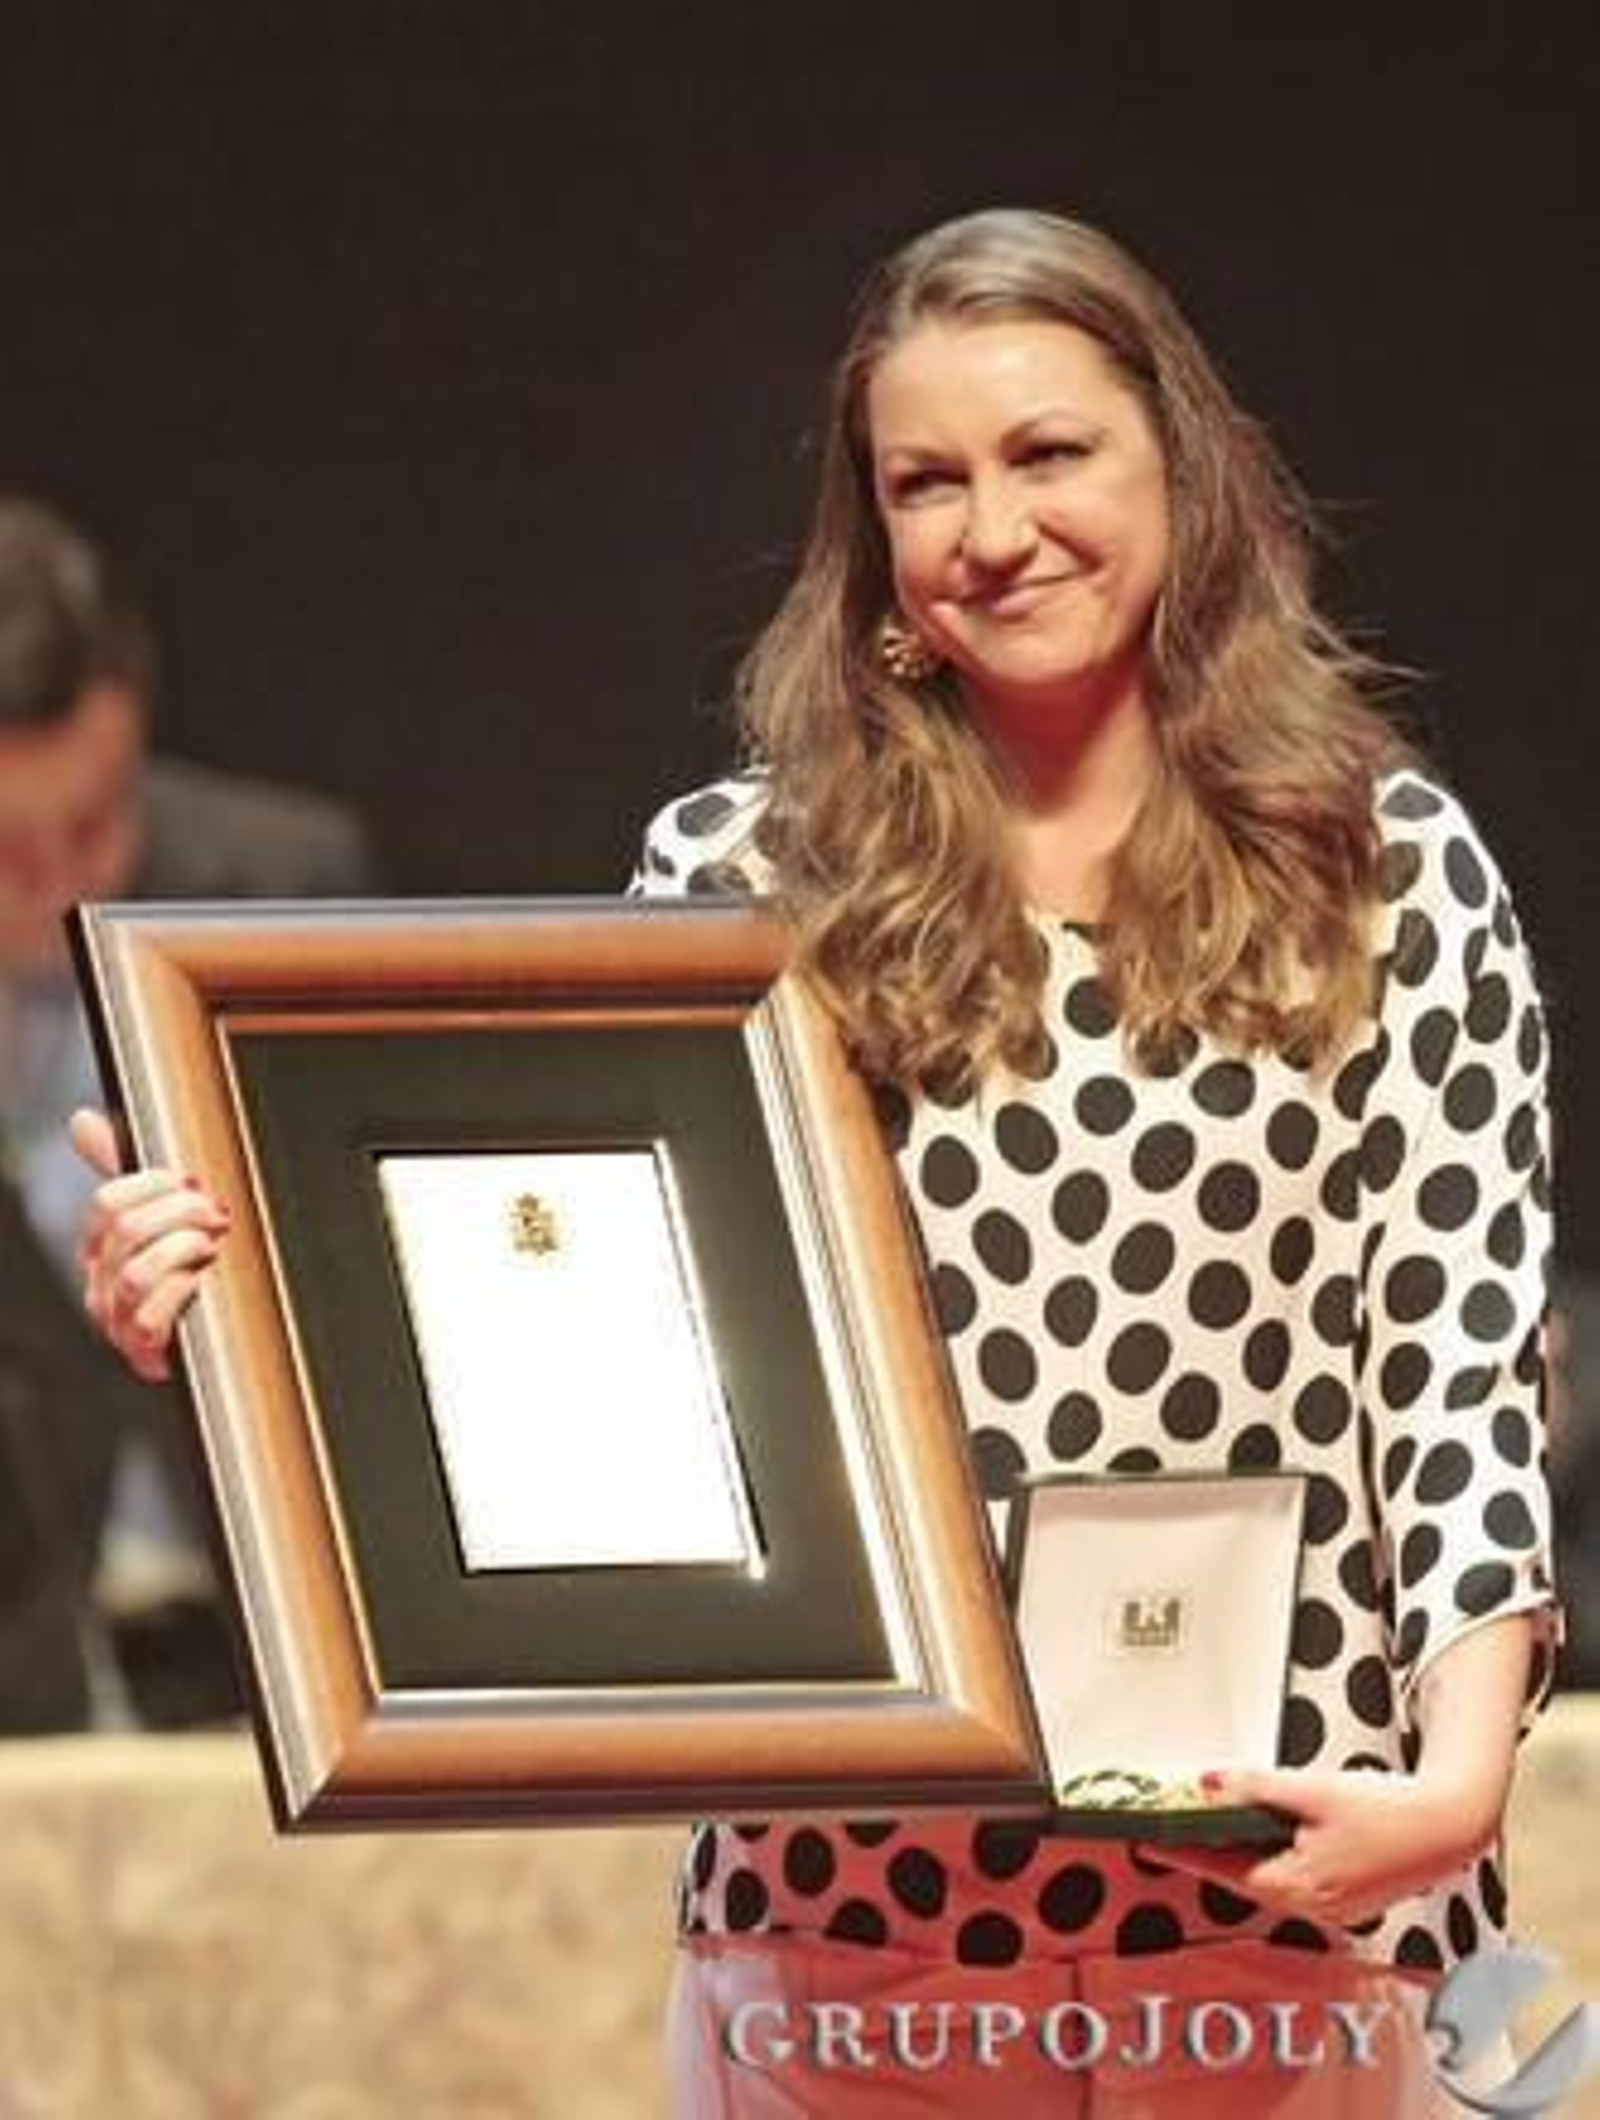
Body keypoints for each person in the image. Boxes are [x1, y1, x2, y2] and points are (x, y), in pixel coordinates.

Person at [73, 211, 1555, 2114]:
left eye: (1048, 454)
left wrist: (1459, 1780)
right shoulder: (741, 885)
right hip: (855, 1920)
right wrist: (229, 1310)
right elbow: (577, 1345)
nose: (991, 529)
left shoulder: (1387, 866)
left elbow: (1457, 1354)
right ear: (871, 541)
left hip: (1292, 1897)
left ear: (1181, 468)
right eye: (925, 482)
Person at [0, 494, 378, 1732]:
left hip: (264, 1633)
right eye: (4, 844)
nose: (56, 881)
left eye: (95, 822)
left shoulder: (287, 887)